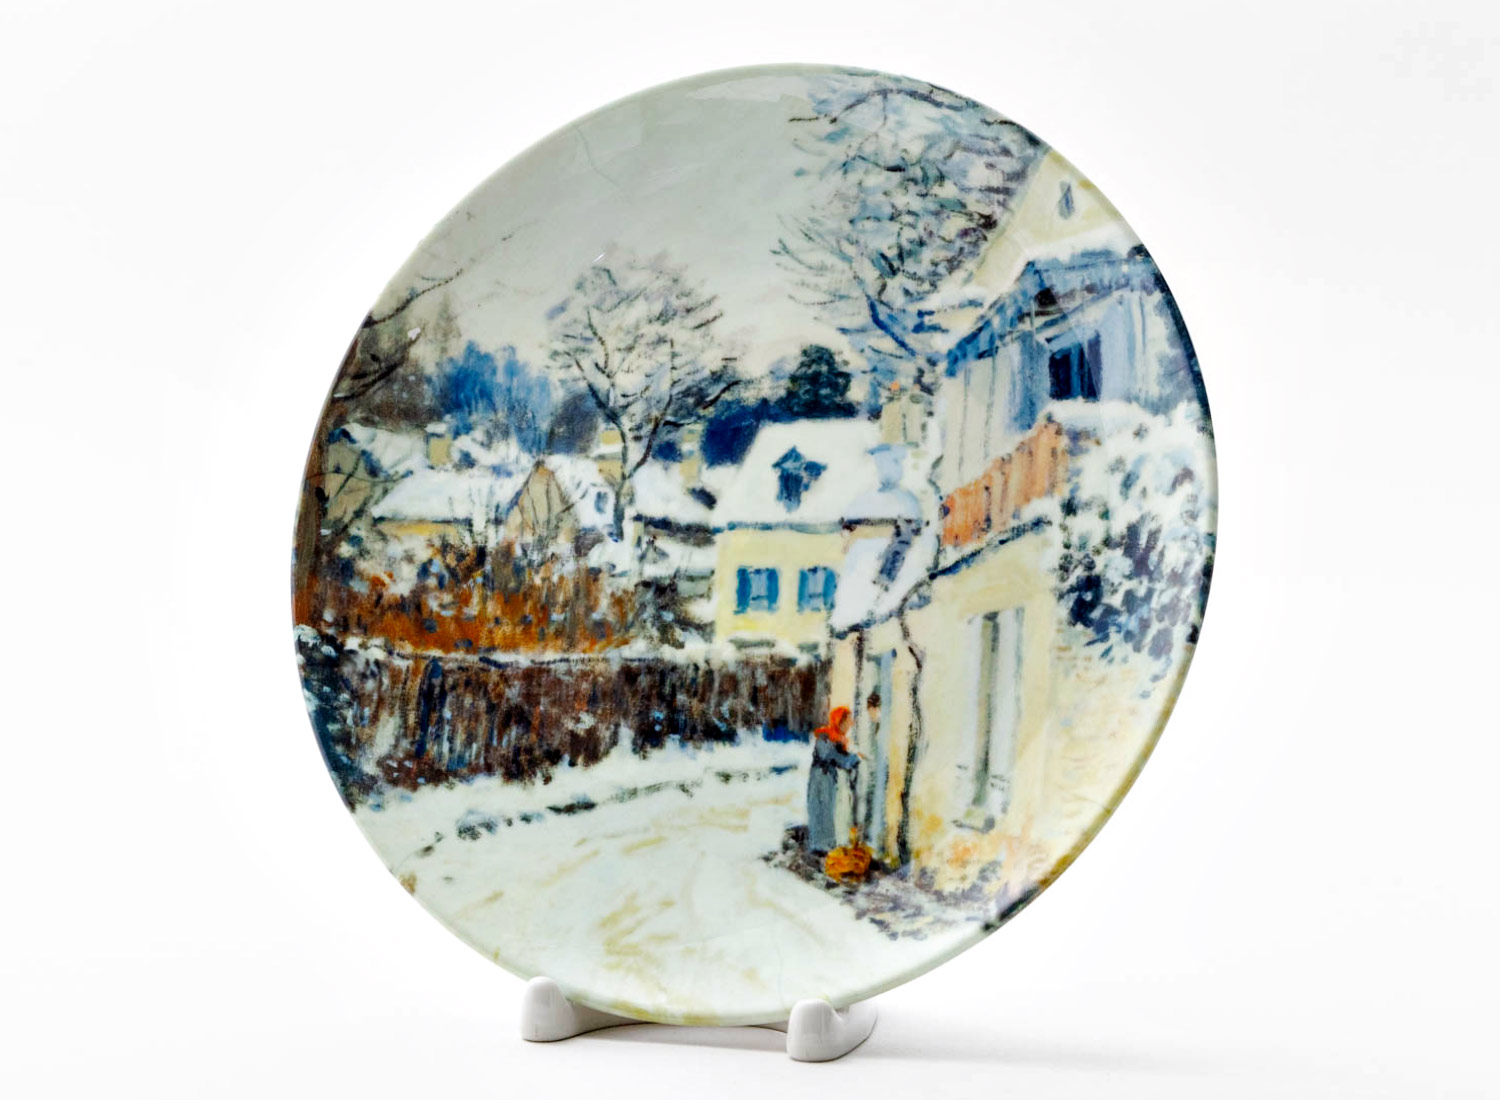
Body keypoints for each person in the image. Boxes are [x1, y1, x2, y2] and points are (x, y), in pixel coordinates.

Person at [807, 705, 859, 855]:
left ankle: (827, 844)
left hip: (829, 779)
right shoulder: (825, 737)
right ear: (839, 722)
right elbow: (834, 757)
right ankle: (820, 846)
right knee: (821, 810)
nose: (850, 725)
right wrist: (854, 759)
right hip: (821, 780)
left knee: (829, 810)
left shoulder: (839, 739)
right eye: (847, 721)